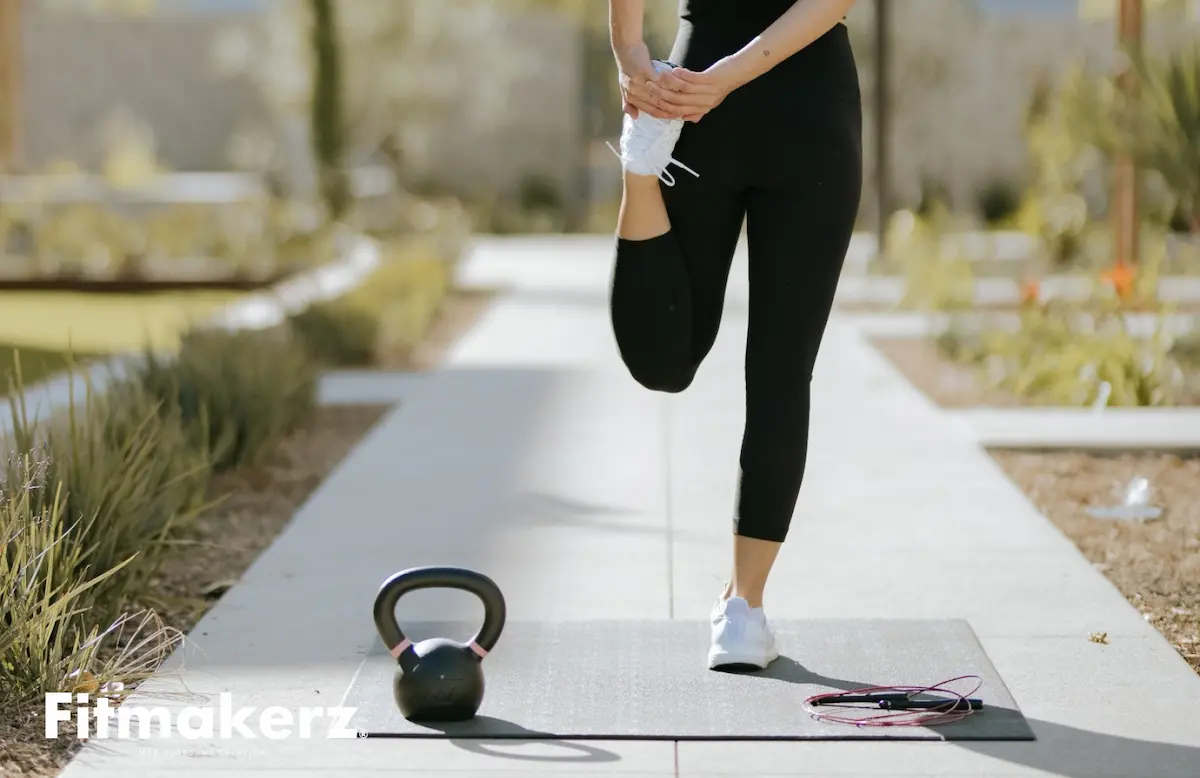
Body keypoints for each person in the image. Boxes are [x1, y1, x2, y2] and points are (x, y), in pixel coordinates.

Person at [606, 0, 862, 671]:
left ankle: (640, 167)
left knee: (699, 363)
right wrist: (638, 60)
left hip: (702, 97)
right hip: (786, 98)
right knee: (778, 372)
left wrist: (635, 55)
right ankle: (743, 614)